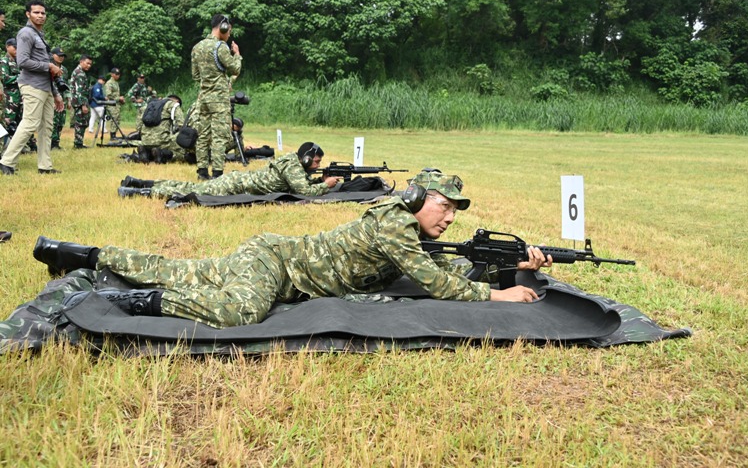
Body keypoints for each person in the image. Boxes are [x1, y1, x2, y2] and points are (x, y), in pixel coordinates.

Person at [32, 171, 554, 328]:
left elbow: (450, 265)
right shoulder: (396, 225)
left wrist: (512, 268)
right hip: (276, 263)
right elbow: (437, 283)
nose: (450, 217)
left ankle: (84, 254)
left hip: (274, 256)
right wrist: (497, 300)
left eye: (456, 211)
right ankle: (139, 303)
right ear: (417, 199)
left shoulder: (409, 231)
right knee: (240, 311)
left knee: (181, 268)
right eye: (444, 207)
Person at [118, 141, 340, 198]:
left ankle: (140, 183)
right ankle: (140, 192)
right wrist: (325, 185)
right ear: (306, 158)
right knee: (191, 192)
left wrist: (318, 179)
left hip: (236, 180)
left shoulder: (293, 162)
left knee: (190, 186)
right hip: (235, 185)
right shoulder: (293, 165)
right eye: (316, 162)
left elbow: (299, 183)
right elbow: (304, 192)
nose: (317, 166)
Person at [0, 0, 65, 176]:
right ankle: (6, 162)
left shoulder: (39, 35)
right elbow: (22, 61)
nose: (40, 15)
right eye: (36, 12)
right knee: (30, 123)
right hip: (31, 84)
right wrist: (49, 66)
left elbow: (45, 67)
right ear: (28, 14)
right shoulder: (25, 34)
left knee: (47, 127)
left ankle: (45, 166)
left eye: (43, 13)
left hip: (46, 86)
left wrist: (56, 93)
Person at [191, 13, 242, 180]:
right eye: (228, 31)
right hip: (219, 100)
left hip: (203, 98)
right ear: (223, 27)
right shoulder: (221, 47)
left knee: (203, 135)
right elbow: (235, 69)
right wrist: (237, 54)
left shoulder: (197, 47)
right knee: (219, 137)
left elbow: (195, 76)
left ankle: (202, 172)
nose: (228, 35)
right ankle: (217, 174)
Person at [135, 94, 184, 163]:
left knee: (151, 147)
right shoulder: (174, 105)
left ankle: (146, 152)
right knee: (181, 152)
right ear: (177, 101)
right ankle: (162, 154)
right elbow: (181, 125)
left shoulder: (149, 105)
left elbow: (138, 127)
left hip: (145, 141)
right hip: (162, 142)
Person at [68, 54, 93, 149]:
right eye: (87, 63)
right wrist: (83, 105)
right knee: (80, 122)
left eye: (90, 64)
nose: (89, 65)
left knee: (82, 121)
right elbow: (79, 91)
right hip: (80, 102)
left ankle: (79, 142)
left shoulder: (79, 71)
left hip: (78, 101)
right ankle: (78, 144)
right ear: (81, 62)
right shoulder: (80, 74)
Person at [49, 47, 68, 150]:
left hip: (63, 98)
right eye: (59, 55)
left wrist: (68, 99)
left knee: (61, 120)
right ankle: (51, 143)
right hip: (52, 96)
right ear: (52, 55)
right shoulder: (50, 67)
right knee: (53, 120)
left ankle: (56, 142)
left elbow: (67, 85)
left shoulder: (64, 69)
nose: (61, 58)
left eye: (63, 56)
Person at [104, 67, 124, 140]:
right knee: (114, 119)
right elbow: (108, 94)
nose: (118, 76)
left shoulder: (116, 82)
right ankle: (112, 136)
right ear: (112, 74)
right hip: (111, 104)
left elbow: (116, 94)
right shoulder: (109, 83)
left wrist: (120, 99)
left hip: (117, 104)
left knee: (118, 119)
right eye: (116, 74)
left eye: (118, 74)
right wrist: (119, 98)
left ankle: (114, 134)